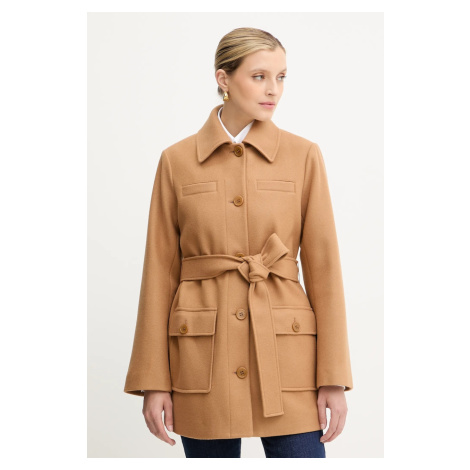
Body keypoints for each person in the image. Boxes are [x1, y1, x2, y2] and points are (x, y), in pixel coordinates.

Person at [124, 27, 353, 458]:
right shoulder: (176, 161)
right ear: (224, 78)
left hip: (288, 360)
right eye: (259, 76)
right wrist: (153, 380)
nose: (273, 90)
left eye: (281, 77)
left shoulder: (303, 156)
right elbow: (159, 272)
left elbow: (325, 270)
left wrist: (334, 377)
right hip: (202, 359)